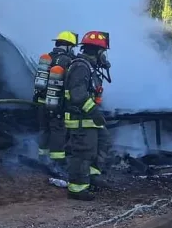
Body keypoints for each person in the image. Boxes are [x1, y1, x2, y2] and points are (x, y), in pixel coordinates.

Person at [63, 31, 112, 201]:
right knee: (83, 152)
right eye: (103, 52)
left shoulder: (89, 67)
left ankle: (92, 177)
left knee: (103, 141)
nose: (104, 57)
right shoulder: (80, 67)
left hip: (89, 118)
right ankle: (77, 188)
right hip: (81, 119)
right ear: (97, 51)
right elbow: (77, 95)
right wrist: (94, 112)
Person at [33, 31, 78, 178]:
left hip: (41, 103)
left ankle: (42, 157)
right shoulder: (68, 61)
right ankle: (57, 163)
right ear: (67, 46)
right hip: (57, 104)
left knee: (44, 129)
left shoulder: (47, 58)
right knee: (58, 131)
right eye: (72, 47)